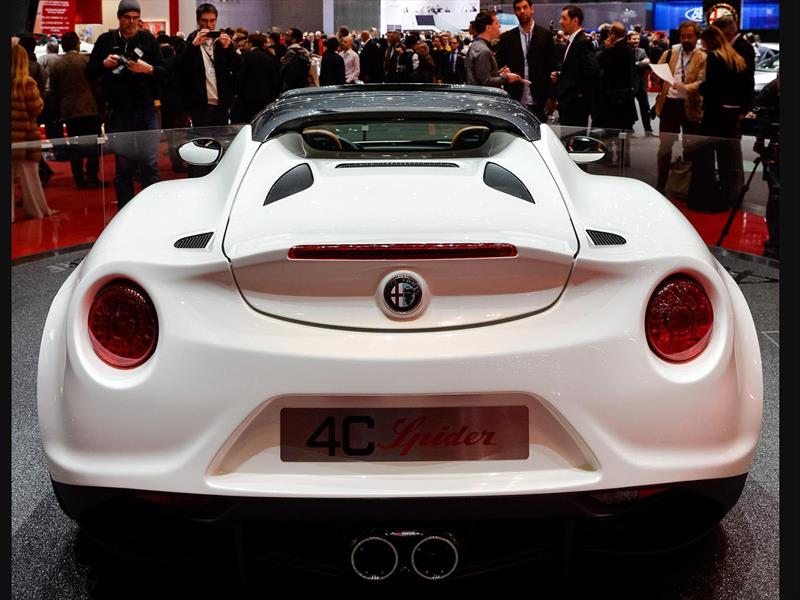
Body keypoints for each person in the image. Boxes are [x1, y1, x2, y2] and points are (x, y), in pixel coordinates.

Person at [86, 0, 165, 209]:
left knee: (149, 164)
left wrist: (147, 69)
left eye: (135, 18)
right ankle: (125, 212)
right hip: (118, 112)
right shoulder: (105, 40)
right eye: (127, 18)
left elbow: (164, 72)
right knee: (123, 167)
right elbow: (89, 72)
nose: (131, 22)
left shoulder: (148, 39)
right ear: (119, 18)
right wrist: (104, 64)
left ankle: (153, 210)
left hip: (146, 109)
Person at [687, 26, 750, 213]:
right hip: (731, 115)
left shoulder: (714, 57)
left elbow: (712, 87)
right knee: (728, 158)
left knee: (704, 155)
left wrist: (699, 88)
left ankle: (707, 196)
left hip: (714, 115)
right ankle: (730, 195)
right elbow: (744, 87)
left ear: (708, 40)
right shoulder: (736, 58)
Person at [652, 20, 706, 196]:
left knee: (689, 147)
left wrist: (685, 88)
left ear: (696, 36)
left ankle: (685, 185)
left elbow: (702, 81)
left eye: (689, 36)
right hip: (669, 104)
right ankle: (661, 184)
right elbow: (658, 73)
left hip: (690, 106)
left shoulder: (703, 57)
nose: (685, 39)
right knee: (665, 147)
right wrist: (656, 76)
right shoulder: (670, 53)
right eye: (683, 36)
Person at [50, 31, 105, 190]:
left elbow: (55, 91)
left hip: (69, 111)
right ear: (77, 44)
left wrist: (56, 112)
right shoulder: (86, 61)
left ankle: (79, 180)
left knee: (74, 146)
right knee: (94, 145)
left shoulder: (57, 65)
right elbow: (96, 85)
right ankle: (92, 178)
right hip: (90, 108)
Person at [177, 3, 241, 130]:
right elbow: (179, 67)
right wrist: (193, 46)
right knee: (203, 143)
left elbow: (239, 67)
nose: (209, 25)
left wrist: (229, 49)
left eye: (212, 21)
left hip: (222, 104)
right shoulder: (190, 42)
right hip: (200, 105)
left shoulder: (221, 42)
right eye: (204, 21)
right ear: (198, 21)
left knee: (221, 141)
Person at [11, 44, 56, 222]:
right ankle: (36, 210)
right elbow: (36, 108)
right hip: (26, 137)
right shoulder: (27, 83)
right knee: (30, 178)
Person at [495, 0, 556, 121]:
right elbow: (499, 66)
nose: (522, 11)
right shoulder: (507, 38)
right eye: (518, 9)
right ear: (515, 12)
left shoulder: (546, 35)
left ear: (532, 9)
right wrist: (503, 72)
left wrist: (552, 97)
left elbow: (551, 67)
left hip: (540, 97)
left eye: (525, 7)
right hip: (514, 98)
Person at [551, 4, 601, 129]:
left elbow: (593, 71)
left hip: (575, 105)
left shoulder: (582, 42)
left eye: (564, 18)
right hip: (569, 103)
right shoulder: (573, 41)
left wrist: (578, 95)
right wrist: (561, 76)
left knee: (576, 143)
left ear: (575, 20)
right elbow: (575, 69)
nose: (560, 21)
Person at [594, 22, 636, 133]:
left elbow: (601, 63)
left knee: (611, 132)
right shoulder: (629, 48)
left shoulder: (615, 49)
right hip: (625, 96)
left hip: (613, 98)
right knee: (624, 134)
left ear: (612, 34)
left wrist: (607, 48)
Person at [465, 10, 522, 88]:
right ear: (488, 27)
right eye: (497, 23)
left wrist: (497, 74)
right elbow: (486, 82)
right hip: (483, 98)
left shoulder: (475, 45)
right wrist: (506, 78)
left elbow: (479, 76)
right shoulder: (484, 50)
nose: (499, 26)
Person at [231, 33, 280, 122]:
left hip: (246, 99)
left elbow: (240, 77)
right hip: (265, 98)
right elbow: (274, 79)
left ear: (250, 44)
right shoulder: (268, 57)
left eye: (246, 43)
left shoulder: (245, 57)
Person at [628, 30, 656, 136]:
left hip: (641, 84)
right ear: (629, 39)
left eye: (638, 39)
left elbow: (647, 63)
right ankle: (629, 130)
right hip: (630, 85)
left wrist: (640, 63)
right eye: (634, 39)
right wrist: (640, 63)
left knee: (645, 108)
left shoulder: (642, 50)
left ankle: (648, 130)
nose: (636, 41)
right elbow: (629, 65)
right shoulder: (626, 51)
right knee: (630, 109)